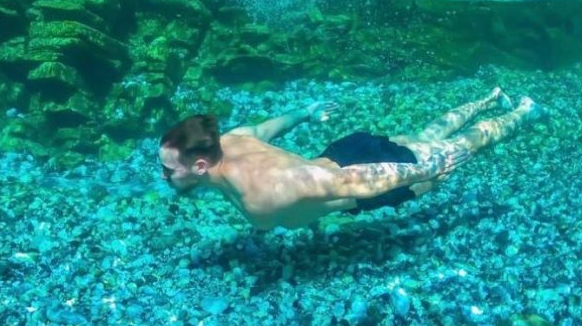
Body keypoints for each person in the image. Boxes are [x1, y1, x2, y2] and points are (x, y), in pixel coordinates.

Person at [158, 88, 540, 230]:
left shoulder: (262, 196)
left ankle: (524, 110)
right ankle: (490, 96)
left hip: (362, 180)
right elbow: (266, 129)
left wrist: (425, 171)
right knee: (425, 137)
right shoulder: (232, 137)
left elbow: (348, 183)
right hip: (343, 151)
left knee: (462, 147)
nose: (164, 176)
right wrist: (305, 112)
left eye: (168, 170)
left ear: (201, 165)